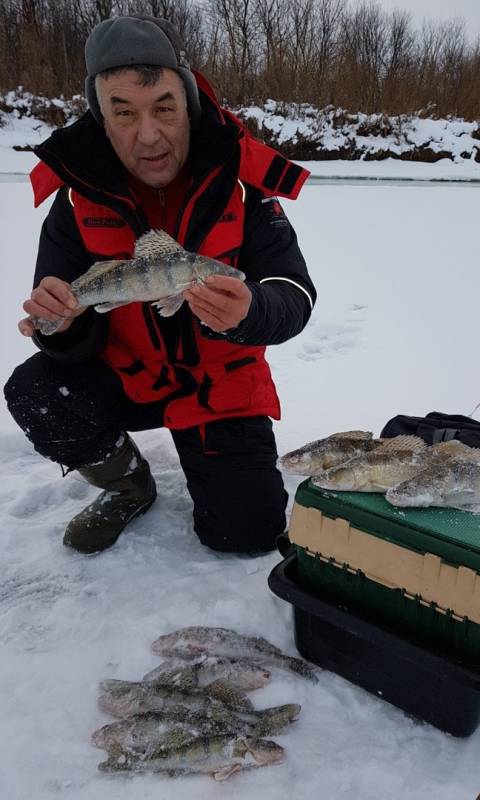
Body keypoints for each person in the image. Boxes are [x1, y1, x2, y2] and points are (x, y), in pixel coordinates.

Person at [3, 15, 316, 556]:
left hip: (219, 388)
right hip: (129, 378)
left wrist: (253, 310)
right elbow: (62, 326)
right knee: (37, 389)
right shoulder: (74, 198)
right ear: (101, 119)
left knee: (247, 535)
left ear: (189, 104)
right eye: (123, 113)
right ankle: (127, 484)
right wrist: (57, 325)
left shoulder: (243, 186)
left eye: (163, 108)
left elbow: (295, 292)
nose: (147, 135)